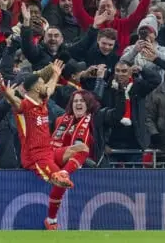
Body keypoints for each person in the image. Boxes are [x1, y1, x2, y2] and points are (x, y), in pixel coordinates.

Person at [1, 60, 77, 227]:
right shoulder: (26, 105)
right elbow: (16, 103)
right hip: (35, 156)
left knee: (78, 149)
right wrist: (8, 95)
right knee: (60, 181)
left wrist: (56, 74)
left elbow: (49, 88)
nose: (46, 86)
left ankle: (63, 175)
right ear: (36, 88)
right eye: (42, 83)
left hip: (48, 150)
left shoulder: (41, 100)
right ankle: (51, 220)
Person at [47, 90, 99, 230]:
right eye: (75, 101)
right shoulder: (60, 120)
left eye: (82, 101)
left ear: (88, 104)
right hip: (55, 156)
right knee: (81, 148)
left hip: (73, 163)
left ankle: (51, 219)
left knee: (61, 183)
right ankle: (65, 172)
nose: (78, 104)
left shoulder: (95, 120)